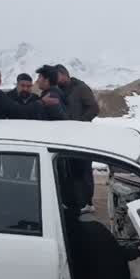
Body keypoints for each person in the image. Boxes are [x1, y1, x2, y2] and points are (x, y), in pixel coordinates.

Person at [56, 64, 99, 211]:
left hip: (82, 136)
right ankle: (74, 201)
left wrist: (79, 123)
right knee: (70, 170)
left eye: (57, 77)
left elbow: (94, 108)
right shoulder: (60, 90)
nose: (56, 80)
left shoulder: (81, 88)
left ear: (64, 74)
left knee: (84, 169)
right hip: (67, 137)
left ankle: (88, 203)